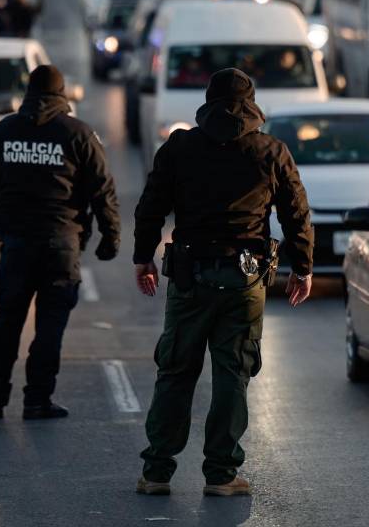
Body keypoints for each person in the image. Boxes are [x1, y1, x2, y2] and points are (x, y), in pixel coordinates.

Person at [132, 67, 314, 497]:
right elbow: (296, 214)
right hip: (244, 280)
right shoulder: (271, 151)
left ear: (207, 99)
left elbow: (150, 206)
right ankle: (221, 474)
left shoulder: (180, 146)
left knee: (175, 370)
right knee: (233, 373)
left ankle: (157, 471)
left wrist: (144, 259)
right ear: (251, 103)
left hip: (189, 278)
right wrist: (303, 268)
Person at [0, 65, 120, 420]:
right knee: (50, 325)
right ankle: (37, 399)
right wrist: (110, 236)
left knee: (7, 319)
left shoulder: (2, 133)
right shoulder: (79, 134)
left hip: (16, 244)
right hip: (61, 244)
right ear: (62, 94)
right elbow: (103, 191)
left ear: (28, 92)